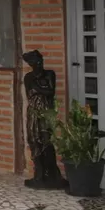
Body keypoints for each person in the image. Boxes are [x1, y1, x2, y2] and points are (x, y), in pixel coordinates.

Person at [22, 50, 67, 189]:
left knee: (46, 141)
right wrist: (41, 88)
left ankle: (51, 174)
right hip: (34, 112)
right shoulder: (28, 77)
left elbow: (50, 92)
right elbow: (30, 95)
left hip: (46, 111)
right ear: (31, 64)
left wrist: (38, 87)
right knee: (34, 140)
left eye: (41, 61)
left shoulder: (49, 74)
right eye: (36, 62)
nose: (40, 64)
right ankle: (39, 175)